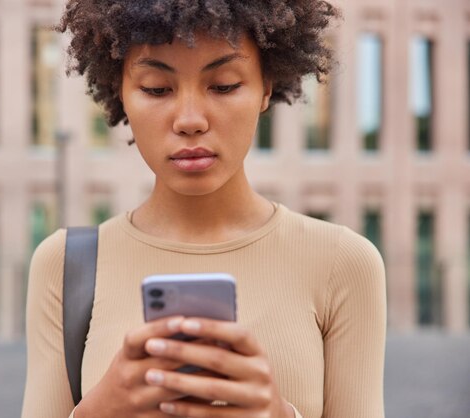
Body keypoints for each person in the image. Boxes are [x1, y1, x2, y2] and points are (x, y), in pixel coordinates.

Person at [21, 1, 386, 417]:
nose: (190, 120)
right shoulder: (65, 266)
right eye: (157, 88)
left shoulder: (344, 263)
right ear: (120, 91)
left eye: (225, 85)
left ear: (266, 87)